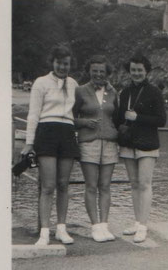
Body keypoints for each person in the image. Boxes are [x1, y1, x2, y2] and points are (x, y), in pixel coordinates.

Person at [21, 44, 79, 245]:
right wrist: (29, 143)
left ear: (70, 65)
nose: (62, 67)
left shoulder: (74, 84)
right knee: (48, 185)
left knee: (63, 184)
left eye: (66, 64)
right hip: (47, 131)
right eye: (59, 63)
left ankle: (61, 229)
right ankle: (44, 232)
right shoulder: (41, 82)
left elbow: (78, 111)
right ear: (52, 62)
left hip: (67, 132)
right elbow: (33, 114)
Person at [115, 54, 166, 243]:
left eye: (140, 70)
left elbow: (162, 120)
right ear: (130, 71)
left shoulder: (154, 92)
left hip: (147, 144)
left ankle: (143, 227)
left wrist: (138, 118)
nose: (136, 73)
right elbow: (120, 117)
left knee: (145, 184)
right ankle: (137, 223)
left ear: (146, 71)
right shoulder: (125, 92)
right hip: (128, 143)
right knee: (134, 184)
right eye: (133, 70)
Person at [73, 55, 119, 242]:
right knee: (91, 186)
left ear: (107, 73)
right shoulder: (80, 91)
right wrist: (85, 122)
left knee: (105, 186)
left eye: (102, 71)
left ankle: (104, 225)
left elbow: (117, 117)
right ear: (89, 72)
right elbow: (71, 118)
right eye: (95, 71)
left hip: (109, 143)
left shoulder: (114, 92)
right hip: (88, 142)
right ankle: (94, 227)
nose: (98, 74)